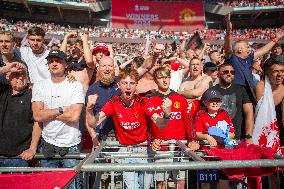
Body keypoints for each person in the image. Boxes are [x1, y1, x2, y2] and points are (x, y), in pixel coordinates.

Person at [86, 68, 171, 189]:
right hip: (126, 152)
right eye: (124, 83)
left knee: (146, 187)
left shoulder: (143, 102)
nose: (128, 86)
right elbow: (93, 123)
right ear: (119, 85)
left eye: (132, 83)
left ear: (136, 85)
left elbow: (161, 124)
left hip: (144, 151)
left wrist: (167, 114)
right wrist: (89, 109)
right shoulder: (113, 102)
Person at [32, 50, 84, 189]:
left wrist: (46, 113)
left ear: (66, 64)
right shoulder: (39, 85)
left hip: (71, 144)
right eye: (51, 61)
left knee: (73, 186)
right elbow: (37, 116)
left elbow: (74, 116)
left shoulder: (75, 85)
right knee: (48, 185)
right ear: (48, 65)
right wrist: (61, 109)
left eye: (58, 61)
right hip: (47, 143)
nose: (54, 63)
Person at [147, 66, 199, 189]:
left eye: (167, 77)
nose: (164, 80)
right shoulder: (150, 100)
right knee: (161, 183)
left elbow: (189, 121)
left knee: (181, 182)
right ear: (155, 80)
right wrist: (152, 140)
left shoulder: (180, 99)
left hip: (179, 148)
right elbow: (148, 126)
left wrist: (192, 139)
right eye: (160, 77)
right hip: (161, 148)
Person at [224, 13, 284, 102]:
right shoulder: (232, 58)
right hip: (235, 91)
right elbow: (228, 47)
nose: (249, 48)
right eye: (247, 46)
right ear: (240, 50)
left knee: (250, 113)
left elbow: (263, 50)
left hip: (249, 91)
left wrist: (276, 39)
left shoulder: (248, 58)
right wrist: (229, 31)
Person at [0, 67, 41, 167]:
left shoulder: (33, 95)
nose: (20, 78)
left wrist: (32, 148)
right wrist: (8, 67)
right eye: (16, 75)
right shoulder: (2, 92)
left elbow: (38, 122)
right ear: (8, 77)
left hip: (20, 157)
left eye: (23, 75)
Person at [212, 62, 254, 142]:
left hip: (237, 139)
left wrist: (248, 136)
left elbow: (249, 112)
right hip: (216, 140)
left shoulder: (241, 90)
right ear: (218, 74)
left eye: (232, 72)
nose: (229, 74)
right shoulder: (211, 91)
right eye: (225, 72)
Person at [85, 56, 121, 143]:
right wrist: (93, 136)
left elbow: (141, 70)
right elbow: (88, 116)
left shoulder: (122, 83)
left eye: (110, 66)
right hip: (101, 138)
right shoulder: (92, 89)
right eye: (104, 66)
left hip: (122, 137)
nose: (107, 69)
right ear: (98, 68)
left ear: (114, 68)